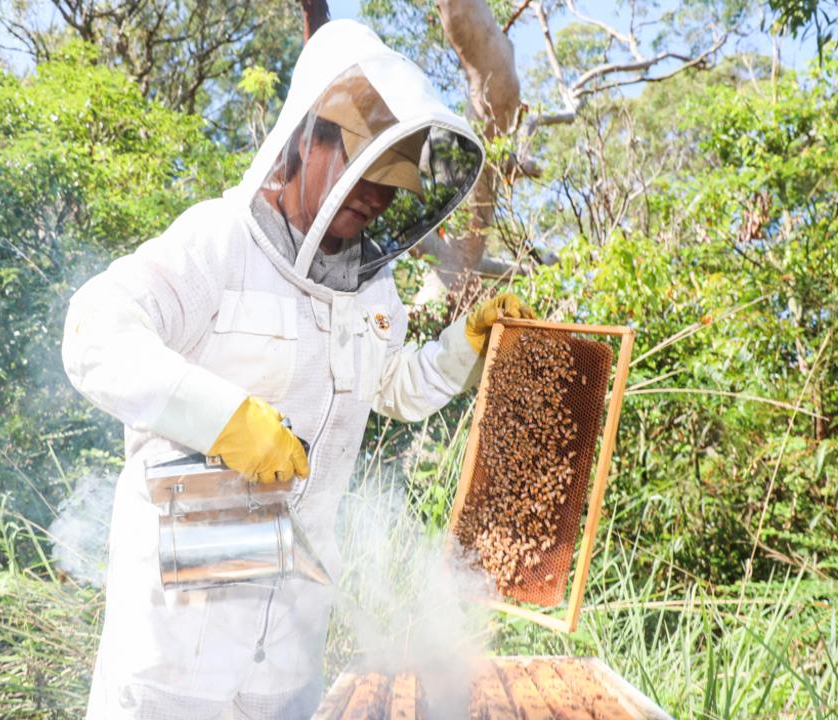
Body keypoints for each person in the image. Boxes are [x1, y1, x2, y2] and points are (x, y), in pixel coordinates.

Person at [62, 19, 535, 720]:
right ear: (306, 139)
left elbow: (396, 389)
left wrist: (463, 343)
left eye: (392, 183)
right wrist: (220, 418)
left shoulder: (369, 286)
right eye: (365, 170)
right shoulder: (218, 241)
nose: (377, 196)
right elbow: (94, 332)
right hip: (174, 658)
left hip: (287, 659)